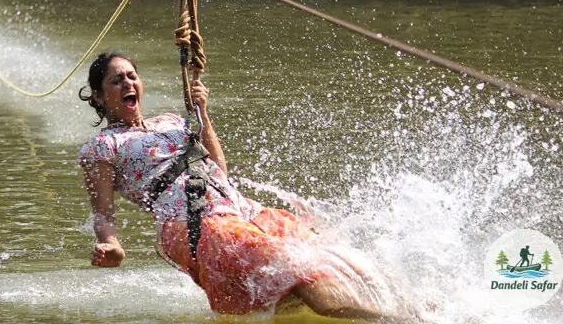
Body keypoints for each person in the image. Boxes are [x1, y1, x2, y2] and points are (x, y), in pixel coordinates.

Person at [77, 52, 412, 319]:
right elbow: (103, 213)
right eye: (116, 80)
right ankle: (397, 322)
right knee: (298, 269)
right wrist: (111, 245)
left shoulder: (173, 122)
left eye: (131, 76)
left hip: (238, 208)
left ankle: (425, 309)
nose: (127, 83)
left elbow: (219, 169)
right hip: (195, 225)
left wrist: (202, 113)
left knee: (334, 257)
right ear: (99, 95)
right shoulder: (103, 147)